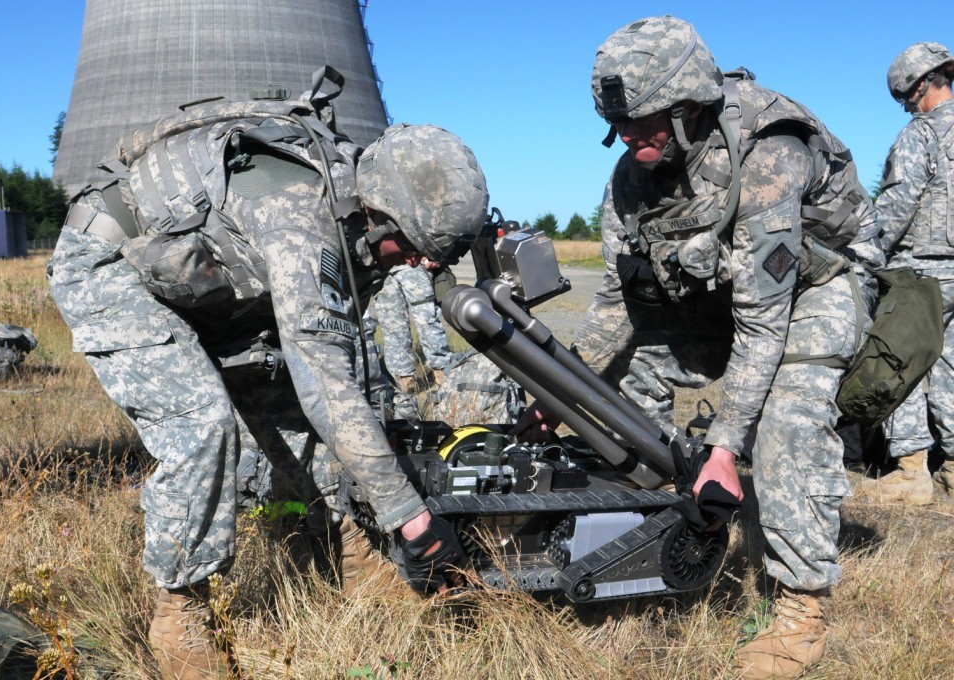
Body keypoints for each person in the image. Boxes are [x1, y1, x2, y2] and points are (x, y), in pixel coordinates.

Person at [47, 83, 488, 678]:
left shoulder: (355, 213)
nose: (421, 265)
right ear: (383, 210)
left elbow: (333, 374)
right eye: (413, 248)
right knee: (202, 425)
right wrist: (411, 516)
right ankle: (181, 610)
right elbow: (326, 384)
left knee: (285, 411)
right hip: (113, 267)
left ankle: (347, 555)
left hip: (208, 283)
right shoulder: (301, 221)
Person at [513, 16, 883, 679]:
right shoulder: (631, 180)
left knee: (784, 421)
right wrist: (562, 393)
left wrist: (725, 449)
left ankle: (800, 611)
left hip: (812, 295)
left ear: (690, 104)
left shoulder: (769, 152)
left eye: (645, 119)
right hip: (721, 298)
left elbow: (764, 323)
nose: (628, 136)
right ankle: (644, 550)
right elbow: (619, 303)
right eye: (618, 123)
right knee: (627, 388)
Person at [859, 42, 954, 506]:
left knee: (899, 363)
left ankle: (912, 471)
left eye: (903, 99)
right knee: (952, 365)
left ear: (918, 86)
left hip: (920, 272)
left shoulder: (921, 134)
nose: (906, 107)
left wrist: (866, 255)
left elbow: (896, 208)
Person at [374, 260, 454, 406]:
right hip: (382, 267)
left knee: (426, 320)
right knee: (392, 325)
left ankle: (444, 376)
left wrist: (433, 257)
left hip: (413, 265)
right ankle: (405, 383)